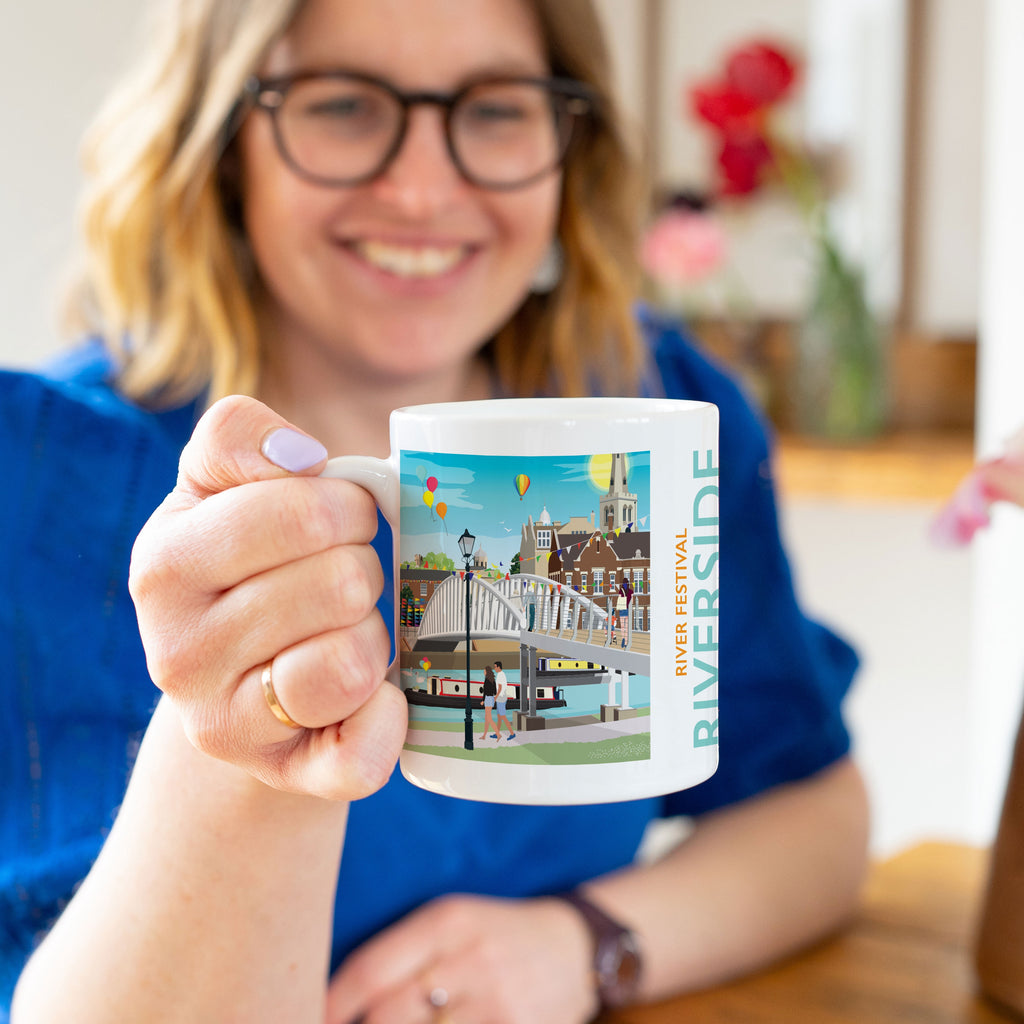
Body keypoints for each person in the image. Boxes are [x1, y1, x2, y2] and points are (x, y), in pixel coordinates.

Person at [4, 0, 869, 1021]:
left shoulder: (658, 411)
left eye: (495, 110)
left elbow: (810, 805)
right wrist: (238, 754)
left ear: (565, 145)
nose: (420, 188)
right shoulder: (47, 474)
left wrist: (581, 944)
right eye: (342, 106)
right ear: (224, 142)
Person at [493, 660, 516, 741]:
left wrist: (495, 697)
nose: (494, 668)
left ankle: (512, 733)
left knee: (503, 716)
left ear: (499, 667)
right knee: (499, 717)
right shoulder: (501, 674)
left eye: (495, 667)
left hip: (501, 698)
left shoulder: (500, 675)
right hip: (501, 697)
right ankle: (497, 733)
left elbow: (499, 688)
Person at [480, 664, 499, 741]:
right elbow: (495, 691)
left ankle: (498, 734)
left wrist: (483, 700)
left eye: (484, 671)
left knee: (489, 718)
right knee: (487, 718)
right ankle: (484, 735)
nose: (483, 672)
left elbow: (485, 692)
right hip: (491, 698)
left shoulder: (487, 680)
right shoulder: (493, 680)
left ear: (487, 672)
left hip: (488, 699)